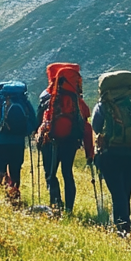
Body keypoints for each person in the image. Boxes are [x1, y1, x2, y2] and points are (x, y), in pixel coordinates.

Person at [91, 70, 131, 235]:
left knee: (117, 192)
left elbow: (96, 126)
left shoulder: (104, 102)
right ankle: (125, 222)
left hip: (111, 154)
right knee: (126, 190)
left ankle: (122, 228)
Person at [38, 63, 93, 215]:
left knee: (50, 174)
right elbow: (86, 125)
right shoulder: (77, 101)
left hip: (50, 141)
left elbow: (38, 120)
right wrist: (90, 153)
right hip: (71, 141)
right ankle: (69, 209)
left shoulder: (47, 97)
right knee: (67, 173)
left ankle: (56, 205)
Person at [0, 81, 38, 205]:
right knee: (15, 168)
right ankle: (14, 193)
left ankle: (5, 189)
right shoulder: (24, 102)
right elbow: (33, 121)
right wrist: (27, 132)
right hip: (18, 142)